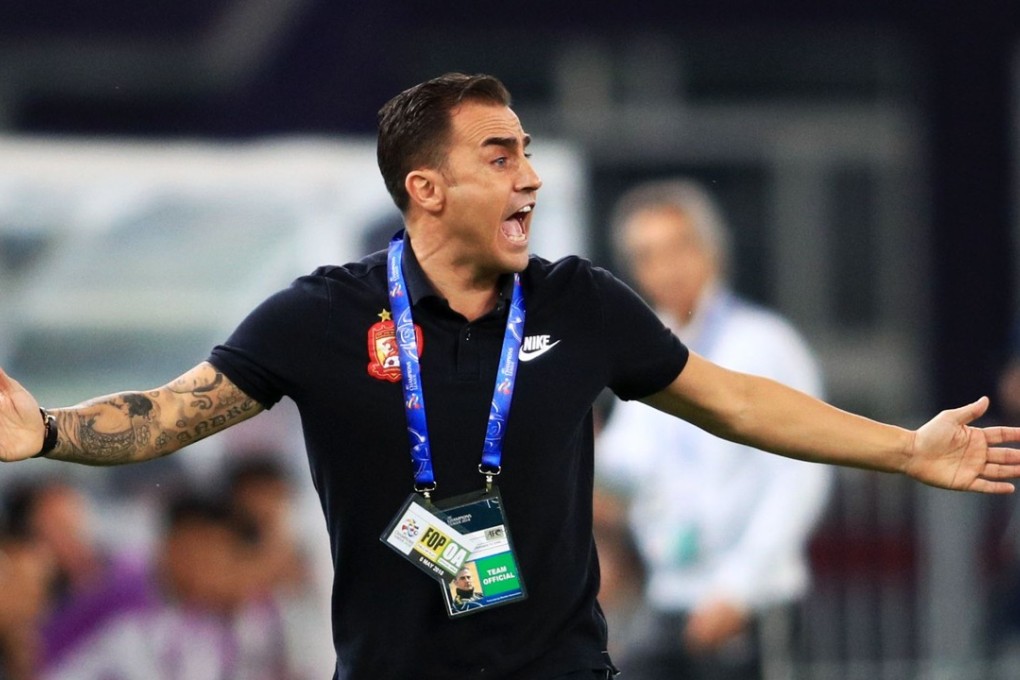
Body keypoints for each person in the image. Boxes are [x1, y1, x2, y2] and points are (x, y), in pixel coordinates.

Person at [0, 72, 1018, 680]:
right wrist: (47, 429)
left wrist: (904, 446)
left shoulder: (582, 303)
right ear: (427, 188)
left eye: (528, 150)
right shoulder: (322, 313)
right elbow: (174, 411)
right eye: (501, 155)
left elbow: (736, 398)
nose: (528, 174)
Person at [595, 179, 833, 679]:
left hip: (753, 600)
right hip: (671, 592)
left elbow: (800, 476)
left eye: (678, 247)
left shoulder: (764, 343)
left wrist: (740, 588)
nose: (665, 268)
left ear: (711, 250)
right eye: (647, 254)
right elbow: (627, 472)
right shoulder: (642, 350)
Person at [40, 492, 291, 680]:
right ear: (172, 547)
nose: (208, 569)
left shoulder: (251, 618)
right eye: (198, 554)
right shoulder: (127, 604)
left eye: (218, 558)